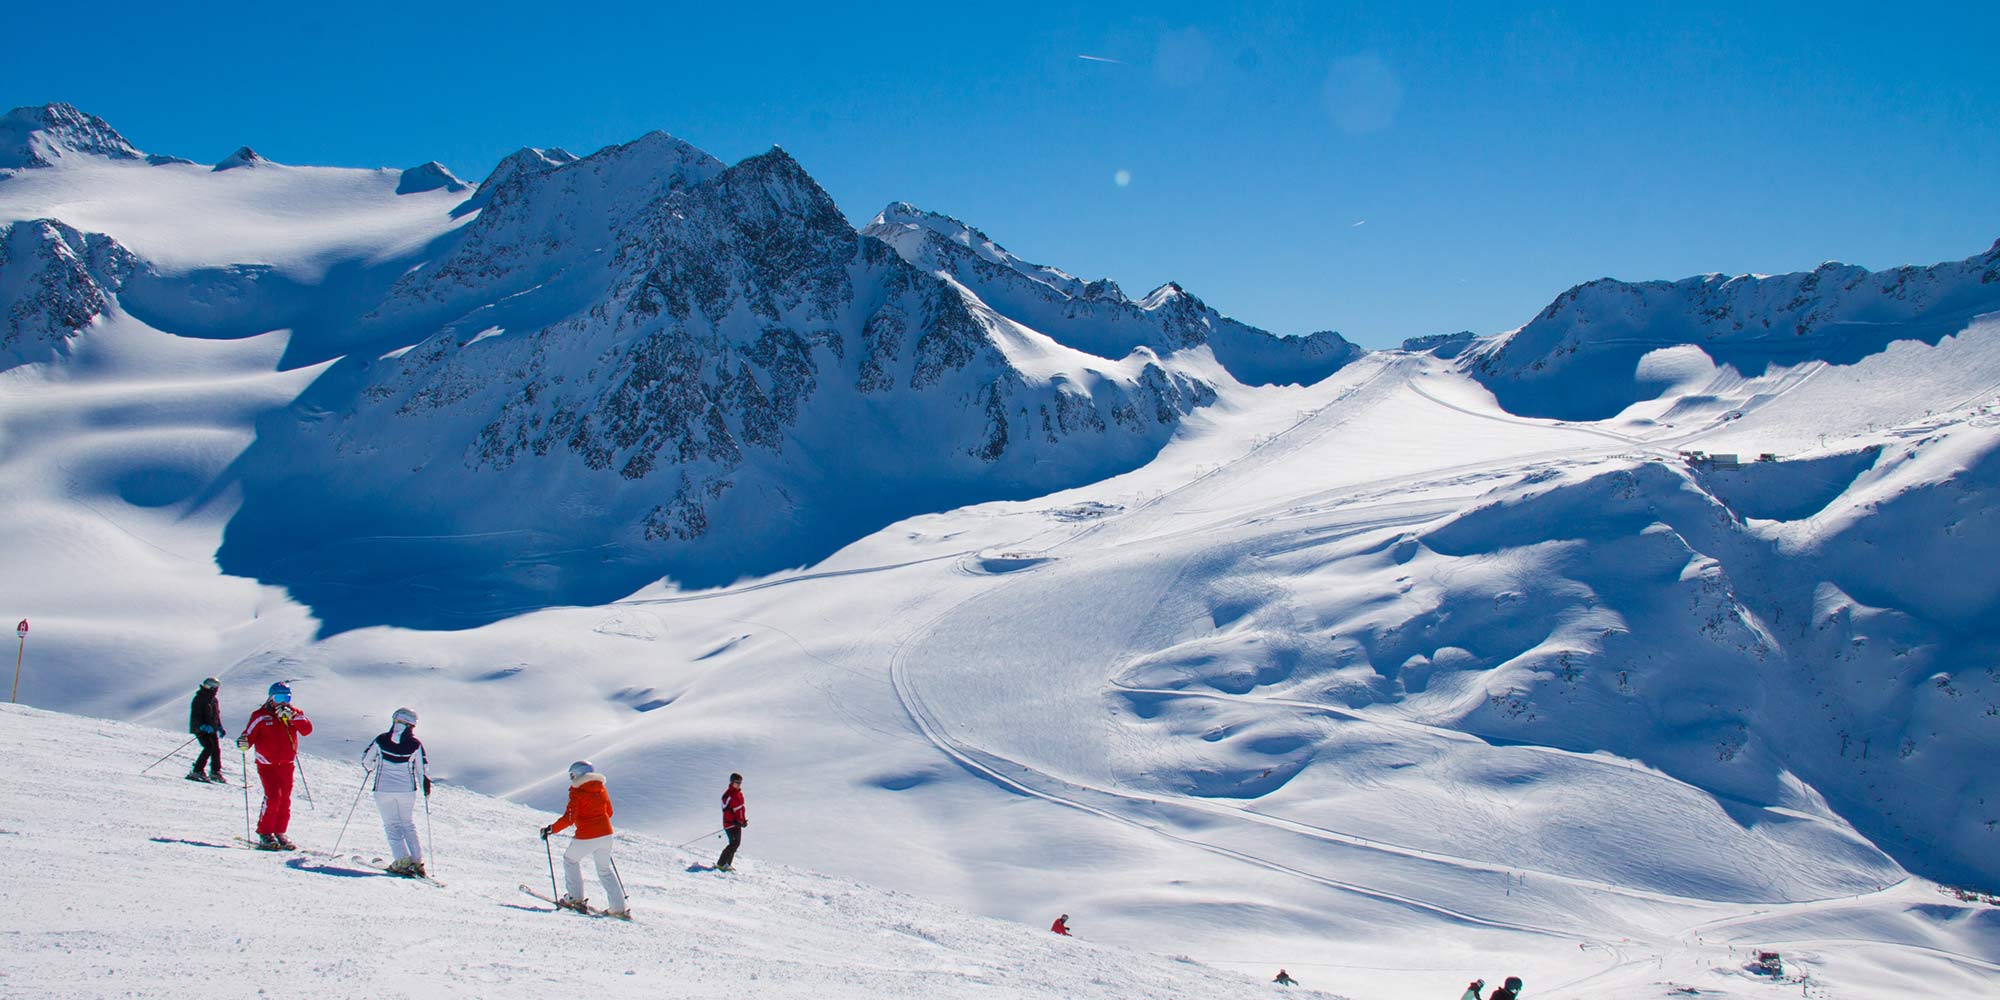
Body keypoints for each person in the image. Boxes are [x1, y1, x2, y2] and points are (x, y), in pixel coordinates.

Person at [540, 760, 628, 919]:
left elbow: (569, 818)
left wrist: (551, 829)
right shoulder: (601, 788)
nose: (571, 778)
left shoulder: (578, 791)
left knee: (570, 859)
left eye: (572, 775)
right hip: (606, 834)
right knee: (604, 869)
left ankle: (575, 899)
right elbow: (610, 812)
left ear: (578, 774)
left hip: (587, 835)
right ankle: (618, 908)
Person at [237, 681, 312, 850]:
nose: (283, 702)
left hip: (287, 763)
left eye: (287, 697)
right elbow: (248, 735)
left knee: (285, 800)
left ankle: (280, 832)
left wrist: (292, 718)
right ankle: (265, 832)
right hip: (267, 764)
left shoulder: (294, 714)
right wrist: (244, 742)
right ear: (271, 698)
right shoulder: (261, 715)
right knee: (273, 797)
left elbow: (307, 729)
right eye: (279, 697)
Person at [360, 707, 431, 876]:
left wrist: (376, 764)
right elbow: (422, 770)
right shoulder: (415, 744)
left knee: (391, 824)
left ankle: (402, 860)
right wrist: (425, 789)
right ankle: (417, 861)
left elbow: (366, 762)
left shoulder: (381, 740)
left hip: (383, 789)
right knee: (408, 824)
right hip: (407, 790)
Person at [187, 677, 226, 783]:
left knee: (216, 749)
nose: (217, 690)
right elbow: (196, 715)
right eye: (215, 688)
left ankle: (215, 772)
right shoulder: (200, 698)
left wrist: (219, 726)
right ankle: (197, 771)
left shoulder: (213, 700)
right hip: (201, 729)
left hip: (211, 729)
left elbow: (216, 715)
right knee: (208, 747)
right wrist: (201, 726)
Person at [716, 772, 747, 871]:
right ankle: (721, 863)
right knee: (734, 843)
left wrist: (743, 820)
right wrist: (733, 821)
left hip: (737, 824)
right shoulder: (727, 795)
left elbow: (741, 809)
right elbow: (726, 811)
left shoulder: (739, 794)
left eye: (740, 782)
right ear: (731, 782)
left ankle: (727, 864)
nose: (738, 784)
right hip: (730, 824)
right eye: (736, 782)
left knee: (736, 843)